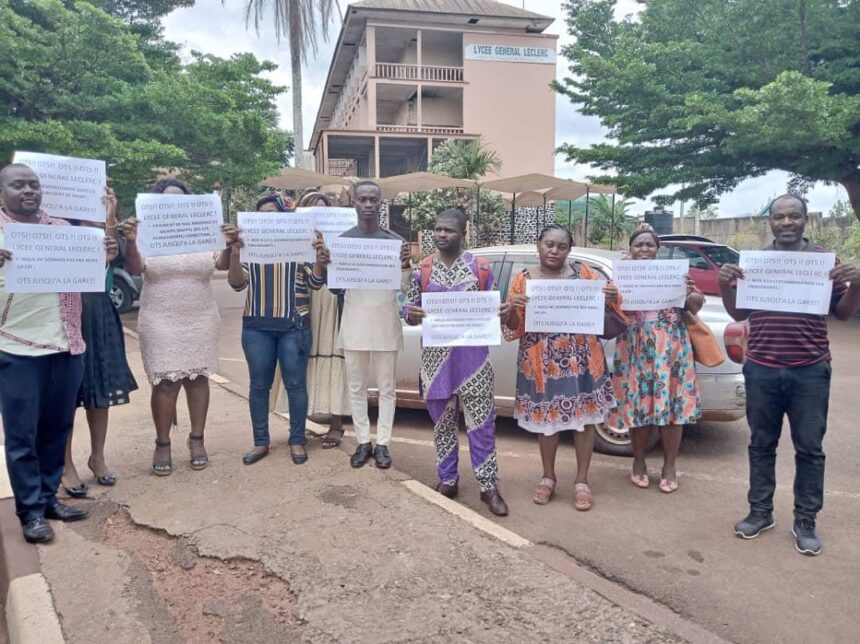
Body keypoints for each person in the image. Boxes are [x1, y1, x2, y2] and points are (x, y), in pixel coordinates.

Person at [720, 194, 860, 556]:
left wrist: (857, 284)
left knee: (810, 448)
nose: (786, 222)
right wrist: (724, 284)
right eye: (779, 216)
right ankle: (760, 512)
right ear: (769, 221)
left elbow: (842, 314)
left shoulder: (823, 262)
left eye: (793, 216)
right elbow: (739, 313)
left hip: (810, 370)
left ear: (805, 219)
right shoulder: (756, 263)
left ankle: (806, 520)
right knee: (761, 444)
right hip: (762, 367)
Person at [0, 164, 117, 543]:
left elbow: (87, 273)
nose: (28, 191)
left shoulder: (63, 230)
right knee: (22, 436)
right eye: (18, 185)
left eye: (33, 185)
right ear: (2, 193)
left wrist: (105, 252)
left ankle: (49, 499)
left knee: (56, 430)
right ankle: (30, 511)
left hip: (67, 345)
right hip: (15, 347)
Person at [503, 224, 621, 511]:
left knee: (585, 420)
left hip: (582, 360)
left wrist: (609, 298)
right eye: (549, 244)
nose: (554, 251)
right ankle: (548, 477)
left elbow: (606, 309)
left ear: (570, 249)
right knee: (547, 422)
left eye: (561, 246)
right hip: (542, 364)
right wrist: (512, 308)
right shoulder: (523, 279)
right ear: (538, 245)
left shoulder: (585, 274)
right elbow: (513, 327)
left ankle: (582, 481)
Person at [403, 209, 511, 516]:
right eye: (437, 229)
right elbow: (408, 309)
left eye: (448, 230)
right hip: (436, 363)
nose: (441, 234)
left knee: (482, 426)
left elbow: (493, 308)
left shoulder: (481, 268)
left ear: (464, 233)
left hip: (474, 362)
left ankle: (488, 486)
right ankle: (448, 479)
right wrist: (411, 314)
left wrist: (502, 312)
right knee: (442, 425)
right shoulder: (422, 270)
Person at [122, 178, 225, 476]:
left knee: (198, 379)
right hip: (159, 317)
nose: (174, 205)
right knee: (166, 382)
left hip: (201, 315)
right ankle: (163, 443)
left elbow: (220, 264)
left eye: (180, 199)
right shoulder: (147, 231)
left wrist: (230, 244)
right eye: (167, 200)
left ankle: (197, 439)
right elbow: (134, 267)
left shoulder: (203, 229)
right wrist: (131, 241)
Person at [220, 194, 328, 465]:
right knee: (259, 385)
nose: (267, 219)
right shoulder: (251, 246)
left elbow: (315, 283)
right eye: (261, 215)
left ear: (283, 217)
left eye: (272, 214)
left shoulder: (299, 242)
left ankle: (297, 440)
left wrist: (319, 258)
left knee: (295, 385)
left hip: (294, 325)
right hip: (257, 326)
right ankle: (261, 442)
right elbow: (237, 284)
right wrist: (235, 253)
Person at [324, 180, 412, 469]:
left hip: (386, 322)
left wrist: (405, 265)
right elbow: (334, 288)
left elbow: (404, 289)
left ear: (380, 203)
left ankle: (383, 443)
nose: (368, 204)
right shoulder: (343, 241)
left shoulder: (394, 241)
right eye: (363, 199)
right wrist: (328, 264)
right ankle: (363, 441)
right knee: (356, 387)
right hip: (354, 323)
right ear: (354, 203)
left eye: (373, 199)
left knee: (387, 389)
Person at [608, 226, 702, 493]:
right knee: (638, 406)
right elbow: (608, 310)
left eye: (650, 245)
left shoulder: (672, 273)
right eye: (639, 245)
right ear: (630, 249)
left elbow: (695, 305)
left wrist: (688, 291)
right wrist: (611, 296)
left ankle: (669, 466)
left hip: (669, 348)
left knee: (672, 406)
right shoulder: (621, 276)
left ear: (657, 249)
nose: (644, 249)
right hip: (634, 346)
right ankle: (638, 462)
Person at [61, 189, 139, 497]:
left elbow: (115, 255)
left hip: (99, 312)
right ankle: (65, 463)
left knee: (101, 387)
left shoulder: (106, 232)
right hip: (66, 312)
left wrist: (110, 216)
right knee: (66, 393)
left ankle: (98, 456)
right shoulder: (58, 230)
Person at [275, 191, 351, 449]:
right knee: (300, 360)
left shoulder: (341, 236)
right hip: (303, 300)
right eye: (314, 210)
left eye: (324, 210)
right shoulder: (295, 239)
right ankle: (298, 423)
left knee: (334, 356)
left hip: (330, 298)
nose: (320, 216)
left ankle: (336, 423)